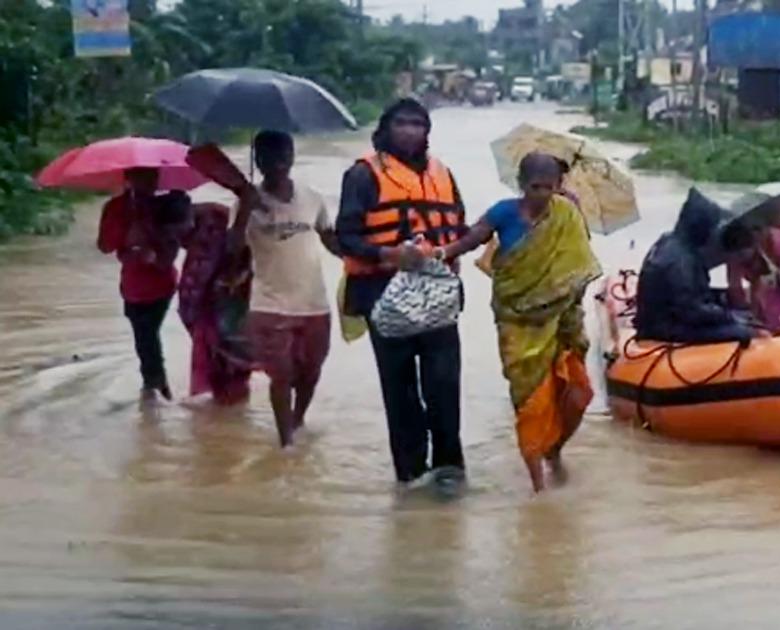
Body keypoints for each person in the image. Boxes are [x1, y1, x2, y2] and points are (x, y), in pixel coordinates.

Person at [433, 152, 601, 493]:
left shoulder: (566, 213)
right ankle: (538, 482)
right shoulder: (503, 212)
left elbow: (577, 263)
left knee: (577, 394)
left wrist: (577, 213)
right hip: (516, 321)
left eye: (549, 187)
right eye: (535, 186)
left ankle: (555, 451)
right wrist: (438, 254)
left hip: (563, 320)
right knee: (530, 400)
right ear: (522, 184)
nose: (542, 194)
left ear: (558, 185)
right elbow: (472, 239)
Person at [335, 98, 469, 492]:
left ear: (427, 131)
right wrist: (389, 254)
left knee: (445, 386)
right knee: (401, 392)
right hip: (385, 294)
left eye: (418, 124)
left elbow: (459, 226)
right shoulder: (363, 175)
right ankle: (410, 474)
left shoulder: (443, 173)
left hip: (438, 295)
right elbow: (347, 236)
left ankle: (449, 471)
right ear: (385, 129)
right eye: (402, 123)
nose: (410, 131)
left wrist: (448, 251)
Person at [231, 130, 339, 448]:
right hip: (269, 304)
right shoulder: (245, 202)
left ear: (292, 156)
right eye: (268, 156)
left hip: (314, 302)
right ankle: (286, 443)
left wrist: (364, 255)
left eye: (283, 154)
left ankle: (298, 419)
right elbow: (232, 249)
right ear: (258, 161)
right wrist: (246, 209)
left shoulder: (312, 197)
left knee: (311, 372)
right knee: (281, 375)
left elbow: (330, 240)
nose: (278, 162)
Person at [97, 168, 181, 400]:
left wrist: (153, 251)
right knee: (144, 334)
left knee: (146, 333)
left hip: (162, 283)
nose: (150, 184)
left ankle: (156, 384)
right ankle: (153, 384)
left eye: (153, 177)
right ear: (129, 179)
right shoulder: (116, 208)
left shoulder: (166, 205)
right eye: (142, 178)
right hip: (132, 285)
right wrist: (126, 234)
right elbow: (104, 246)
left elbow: (175, 244)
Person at [635, 189, 758, 344]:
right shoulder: (681, 260)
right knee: (742, 333)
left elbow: (690, 297)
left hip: (659, 322)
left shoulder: (670, 243)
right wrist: (727, 316)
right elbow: (691, 310)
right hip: (665, 328)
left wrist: (719, 303)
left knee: (734, 320)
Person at [177, 199, 254, 406]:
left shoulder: (216, 224)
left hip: (222, 303)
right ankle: (230, 417)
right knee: (226, 367)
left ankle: (227, 414)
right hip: (212, 304)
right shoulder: (202, 226)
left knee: (227, 364)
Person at [727, 223, 780, 335]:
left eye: (743, 256)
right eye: (738, 257)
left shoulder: (778, 243)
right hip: (762, 263)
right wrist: (747, 307)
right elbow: (735, 286)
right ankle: (767, 320)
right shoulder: (733, 258)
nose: (740, 259)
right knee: (760, 294)